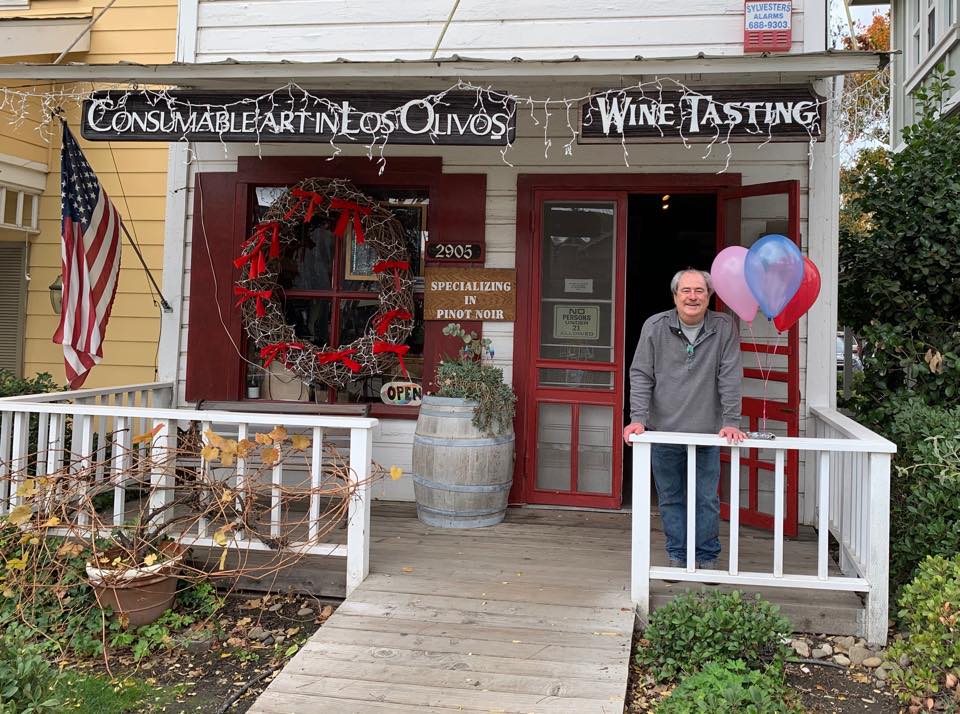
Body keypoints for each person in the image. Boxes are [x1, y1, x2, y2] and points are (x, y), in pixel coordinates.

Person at [622, 268, 746, 570]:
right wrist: (638, 418)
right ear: (675, 296)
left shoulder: (723, 327)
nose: (693, 297)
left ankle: (706, 557)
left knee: (706, 499)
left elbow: (730, 376)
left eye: (699, 290)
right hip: (664, 430)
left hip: (707, 432)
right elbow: (640, 374)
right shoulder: (655, 326)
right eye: (686, 291)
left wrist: (731, 420)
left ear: (709, 295)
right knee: (670, 498)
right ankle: (677, 555)